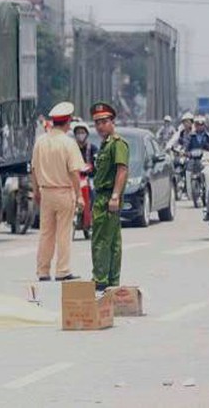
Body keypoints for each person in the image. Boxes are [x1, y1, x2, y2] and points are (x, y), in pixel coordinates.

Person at [31, 101, 85, 282]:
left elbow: (33, 170)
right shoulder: (68, 144)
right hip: (63, 192)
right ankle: (62, 270)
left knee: (46, 233)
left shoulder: (41, 142)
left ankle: (43, 271)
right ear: (68, 121)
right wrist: (79, 196)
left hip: (45, 192)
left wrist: (36, 192)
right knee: (63, 232)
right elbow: (74, 173)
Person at [90, 102, 129, 292]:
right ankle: (112, 284)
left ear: (112, 122)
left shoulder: (117, 144)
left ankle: (100, 280)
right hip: (103, 196)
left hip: (107, 197)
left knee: (101, 241)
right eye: (97, 123)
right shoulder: (105, 145)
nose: (99, 126)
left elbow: (122, 170)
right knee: (112, 241)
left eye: (104, 122)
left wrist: (114, 196)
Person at [183, 116, 209, 200]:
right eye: (197, 124)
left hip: (204, 159)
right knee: (187, 172)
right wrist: (186, 152)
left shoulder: (208, 136)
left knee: (208, 174)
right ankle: (188, 193)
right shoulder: (190, 136)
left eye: (201, 124)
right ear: (195, 125)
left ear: (204, 125)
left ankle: (208, 195)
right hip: (192, 158)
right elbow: (186, 146)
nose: (200, 126)